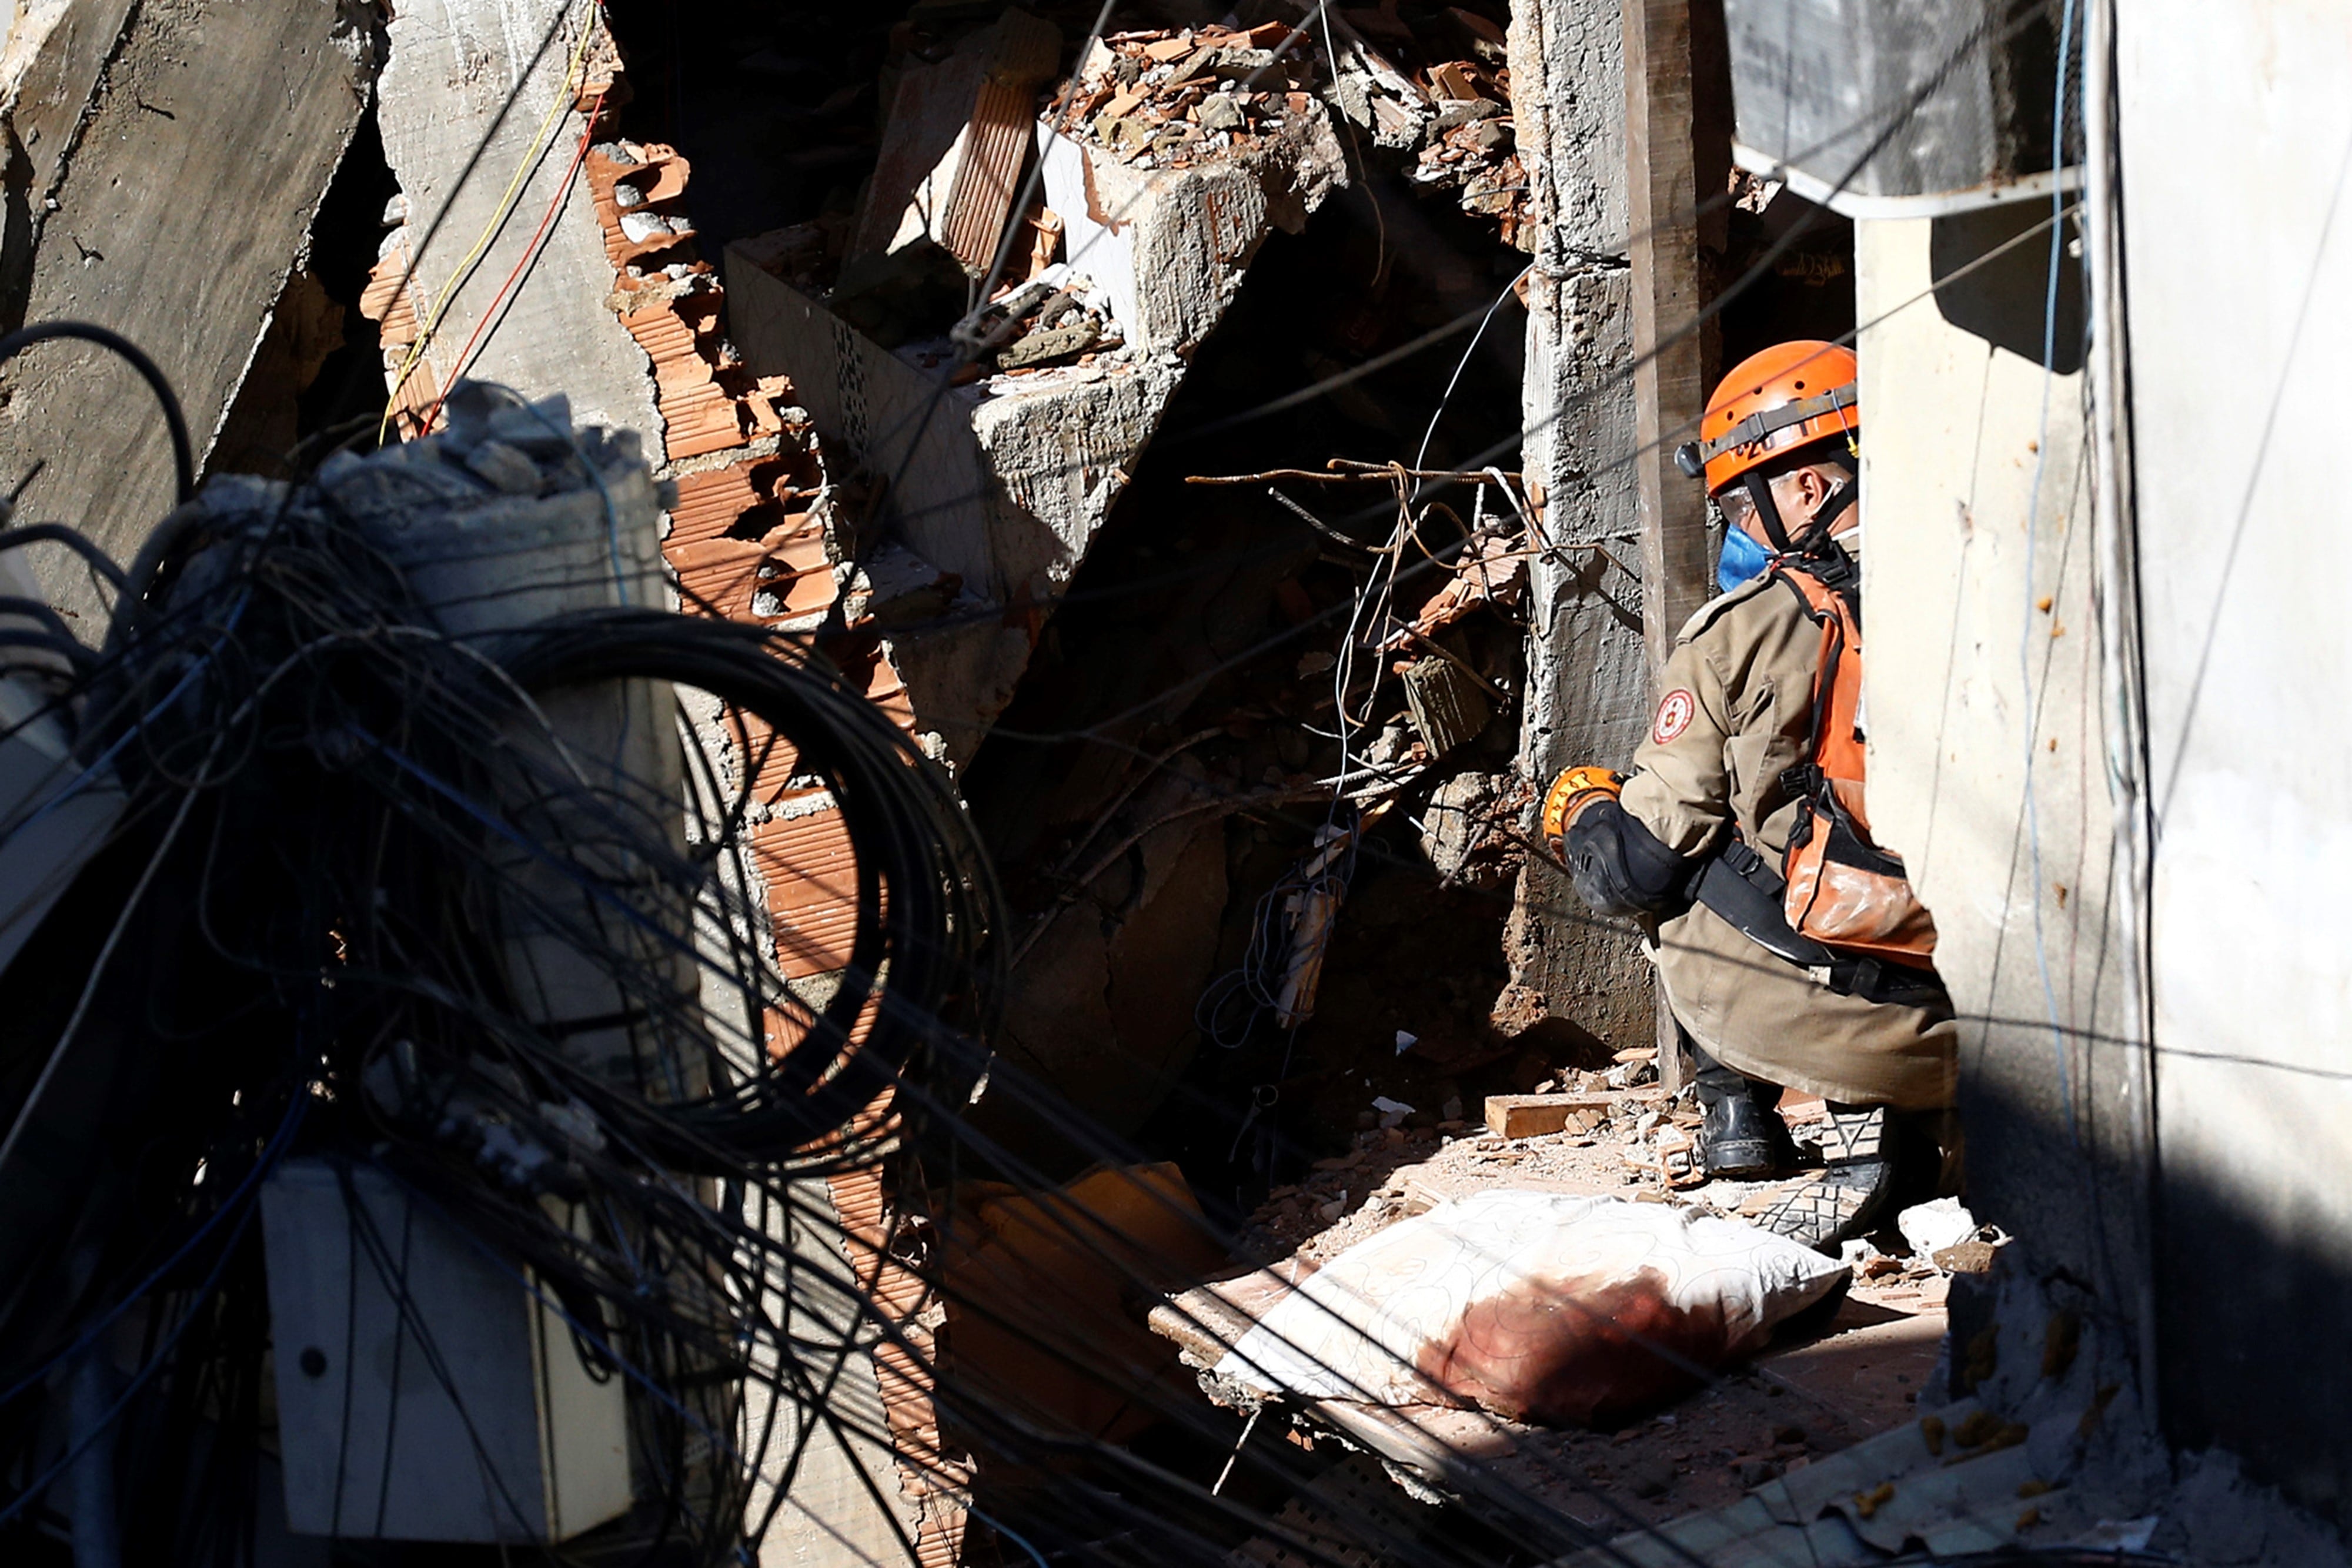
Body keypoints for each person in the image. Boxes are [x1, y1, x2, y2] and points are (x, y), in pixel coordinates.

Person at [1541, 342, 1957, 1251]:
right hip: (2041, 1031)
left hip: (1891, 1029)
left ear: (1807, 489)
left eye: (1740, 502)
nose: (1741, 526)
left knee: (1658, 858)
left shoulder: (1744, 629)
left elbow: (1635, 869)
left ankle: (1747, 1111)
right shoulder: (1990, 571)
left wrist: (1581, 808)